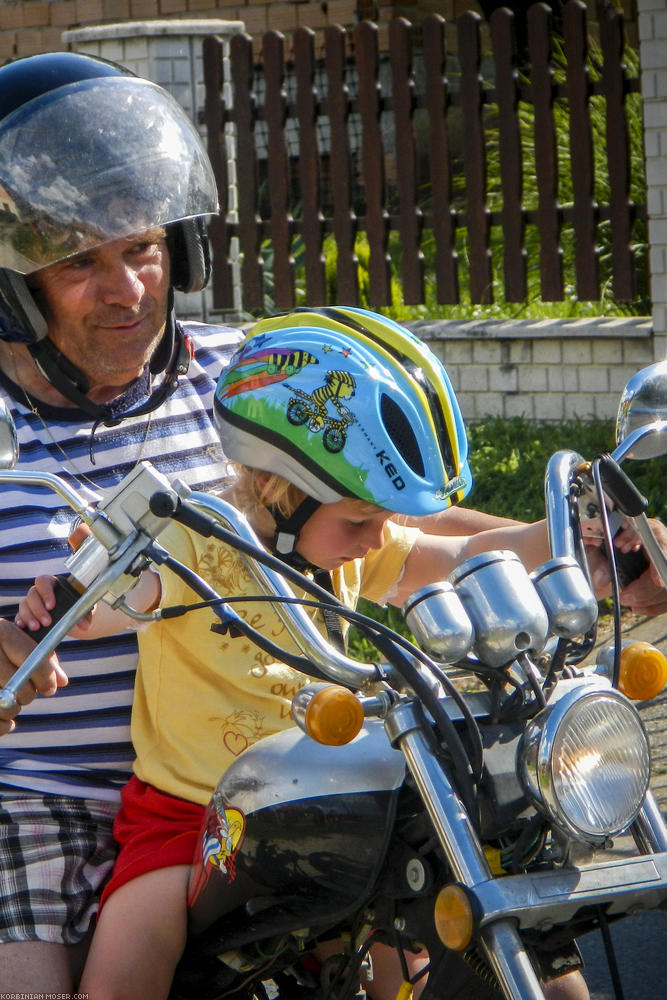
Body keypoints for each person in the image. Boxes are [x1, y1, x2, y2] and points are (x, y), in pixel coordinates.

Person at [20, 308, 589, 1000]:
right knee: (132, 960)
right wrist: (64, 604)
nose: (376, 540)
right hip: (194, 815)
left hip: (328, 798)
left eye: (381, 520)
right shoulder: (196, 542)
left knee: (402, 936)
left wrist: (571, 538)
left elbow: (461, 554)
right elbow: (116, 598)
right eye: (359, 519)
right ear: (276, 488)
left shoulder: (344, 554)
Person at [0, 49, 246, 991]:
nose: (129, 293)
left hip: (238, 790)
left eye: (142, 248)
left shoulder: (245, 378)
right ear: (13, 289)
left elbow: (379, 509)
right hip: (39, 806)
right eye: (78, 264)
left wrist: (580, 540)